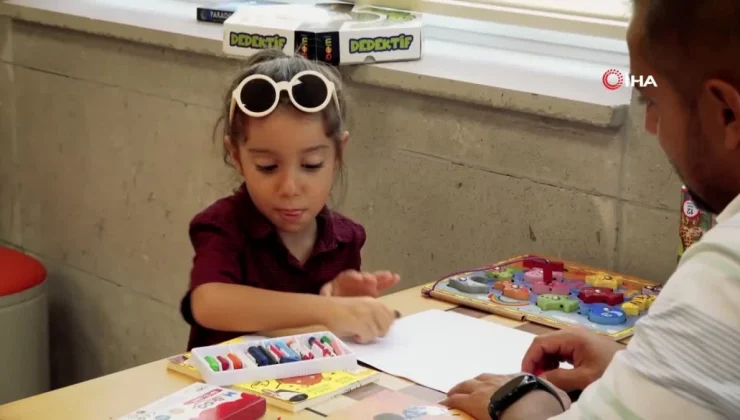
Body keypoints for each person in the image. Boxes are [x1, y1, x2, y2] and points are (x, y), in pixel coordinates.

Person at [441, 0, 740, 419]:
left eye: (652, 101)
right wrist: (635, 372)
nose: (650, 126)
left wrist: (527, 403)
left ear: (726, 113)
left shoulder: (723, 272)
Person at [179, 49, 400, 350]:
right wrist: (328, 310)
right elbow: (208, 303)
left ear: (339, 153)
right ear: (236, 156)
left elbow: (315, 333)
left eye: (311, 165)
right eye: (267, 167)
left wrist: (340, 301)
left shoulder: (345, 238)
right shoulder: (223, 226)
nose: (290, 187)